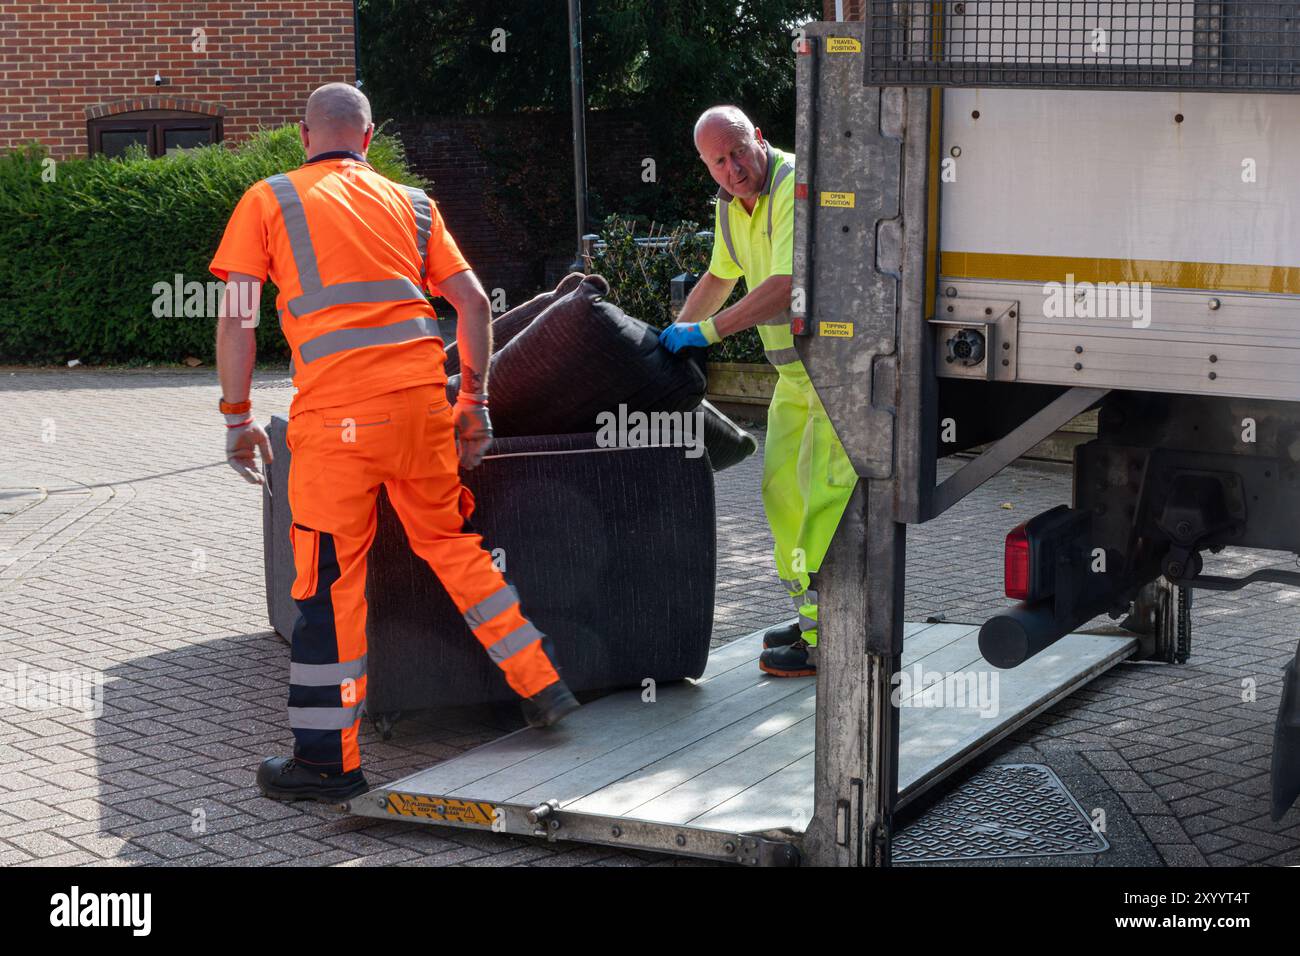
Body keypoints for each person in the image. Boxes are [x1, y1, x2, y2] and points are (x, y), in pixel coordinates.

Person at [210, 82, 578, 805]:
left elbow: (237, 320)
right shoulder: (414, 204)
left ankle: (327, 763)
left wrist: (235, 417)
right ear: (370, 137)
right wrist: (473, 402)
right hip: (420, 411)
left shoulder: (269, 198)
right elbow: (472, 304)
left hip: (336, 425)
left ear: (304, 135)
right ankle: (541, 681)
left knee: (327, 585)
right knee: (450, 544)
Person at [659, 105, 858, 678]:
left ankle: (831, 641)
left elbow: (786, 284)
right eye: (718, 161)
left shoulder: (797, 184)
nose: (733, 168)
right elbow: (721, 276)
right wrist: (672, 332)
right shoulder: (728, 208)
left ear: (759, 140)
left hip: (835, 373)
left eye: (739, 151)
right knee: (781, 497)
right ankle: (814, 622)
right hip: (795, 377)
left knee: (821, 502)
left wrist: (707, 332)